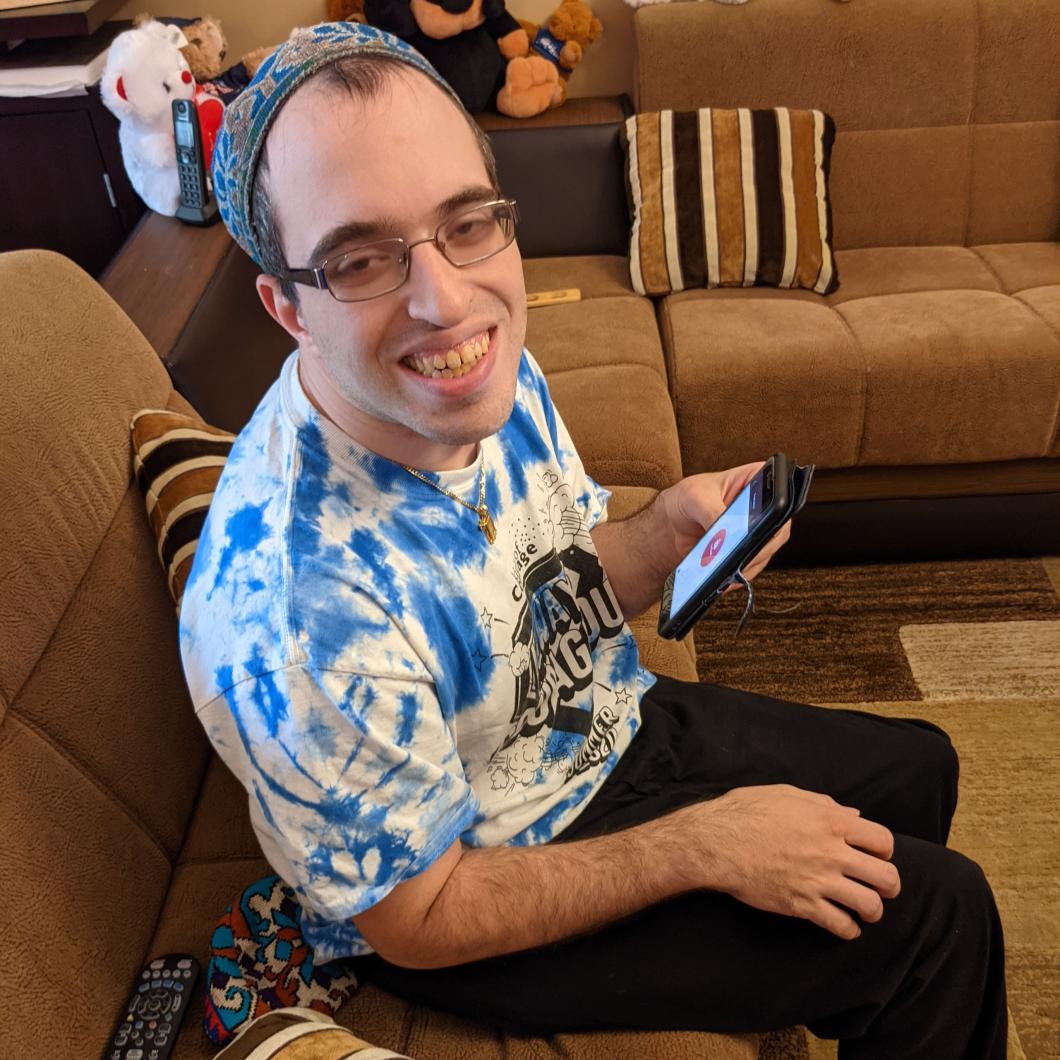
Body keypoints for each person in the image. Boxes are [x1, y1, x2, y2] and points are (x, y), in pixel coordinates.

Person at [180, 22, 1007, 1058]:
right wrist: (703, 844)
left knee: (919, 766)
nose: (444, 301)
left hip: (590, 727)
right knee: (941, 920)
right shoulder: (296, 615)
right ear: (287, 307)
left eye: (465, 225)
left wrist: (665, 534)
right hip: (472, 873)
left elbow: (557, 586)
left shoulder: (475, 368)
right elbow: (418, 919)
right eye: (359, 259)